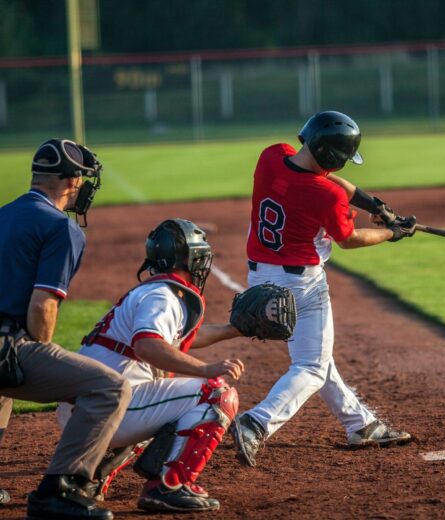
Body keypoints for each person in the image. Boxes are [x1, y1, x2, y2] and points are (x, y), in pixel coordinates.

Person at [231, 110, 416, 467]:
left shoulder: (272, 156)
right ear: (332, 156)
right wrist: (392, 233)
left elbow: (330, 182)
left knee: (317, 356)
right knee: (311, 367)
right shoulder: (324, 195)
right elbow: (350, 238)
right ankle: (256, 422)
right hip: (301, 285)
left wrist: (375, 205)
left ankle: (361, 425)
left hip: (259, 279)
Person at [57, 218, 244, 513]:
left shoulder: (150, 293)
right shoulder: (163, 296)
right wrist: (206, 369)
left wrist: (234, 329)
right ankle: (169, 486)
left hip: (87, 410)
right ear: (192, 259)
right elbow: (148, 346)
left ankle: (90, 477)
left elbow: (172, 338)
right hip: (110, 408)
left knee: (163, 403)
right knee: (215, 394)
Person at [0, 139, 131, 519]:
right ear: (72, 181)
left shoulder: (4, 214)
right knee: (109, 387)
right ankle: (59, 490)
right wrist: (39, 354)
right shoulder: (62, 228)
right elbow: (43, 305)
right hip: (7, 343)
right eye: (83, 179)